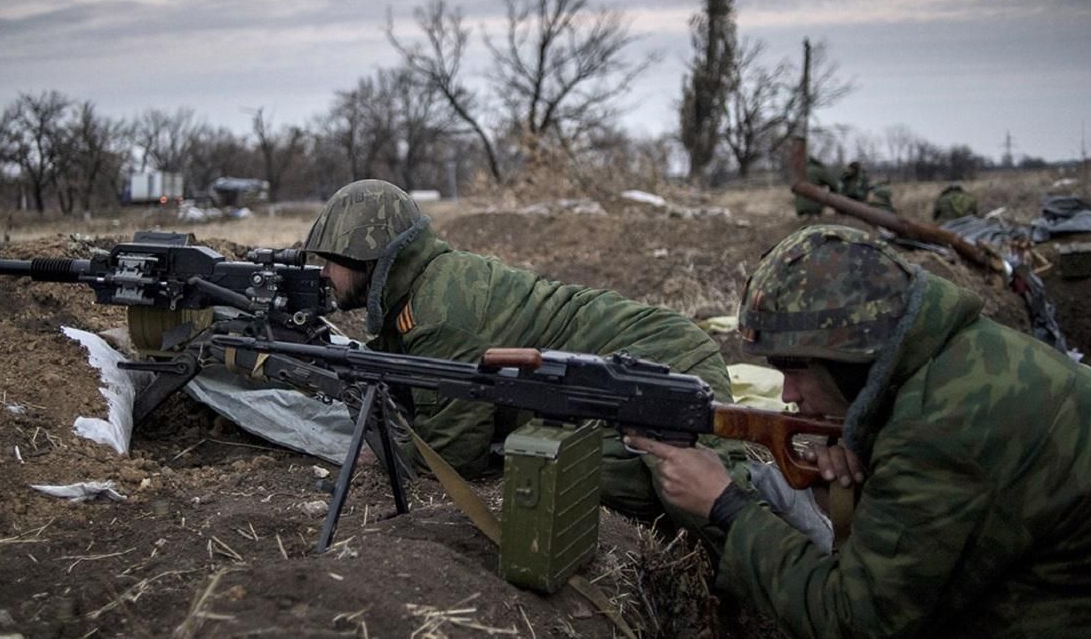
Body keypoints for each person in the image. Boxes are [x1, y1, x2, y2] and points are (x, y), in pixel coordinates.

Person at [302, 179, 829, 547]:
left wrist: (385, 452)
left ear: (368, 256)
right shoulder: (424, 289)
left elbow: (454, 452)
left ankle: (798, 544)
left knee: (661, 492)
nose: (323, 273)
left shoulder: (439, 311)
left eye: (330, 261)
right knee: (581, 466)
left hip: (658, 358)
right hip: (619, 368)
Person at [627, 225, 1091, 637]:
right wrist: (861, 498)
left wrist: (726, 506)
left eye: (797, 368)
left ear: (852, 359)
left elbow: (854, 621)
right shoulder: (958, 354)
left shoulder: (938, 429)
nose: (788, 393)